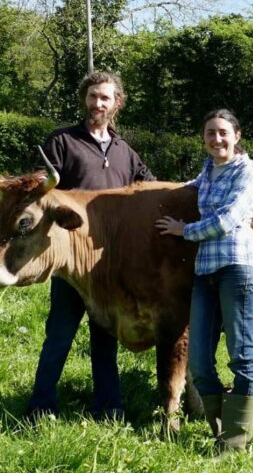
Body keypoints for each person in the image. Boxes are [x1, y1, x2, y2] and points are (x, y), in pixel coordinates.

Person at [25, 71, 156, 421]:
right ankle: (40, 405)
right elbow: (39, 191)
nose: (98, 103)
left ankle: (108, 406)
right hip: (69, 263)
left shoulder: (125, 152)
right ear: (85, 98)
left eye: (106, 98)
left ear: (117, 103)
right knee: (60, 334)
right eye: (93, 96)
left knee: (105, 337)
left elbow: (152, 187)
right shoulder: (63, 141)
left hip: (108, 264)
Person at [155, 108, 253, 452]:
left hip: (238, 269)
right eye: (209, 134)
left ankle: (235, 442)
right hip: (205, 273)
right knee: (199, 361)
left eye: (222, 133)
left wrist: (184, 231)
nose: (216, 139)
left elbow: (229, 218)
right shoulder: (208, 170)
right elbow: (188, 188)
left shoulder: (247, 170)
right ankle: (221, 431)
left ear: (237, 136)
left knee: (241, 355)